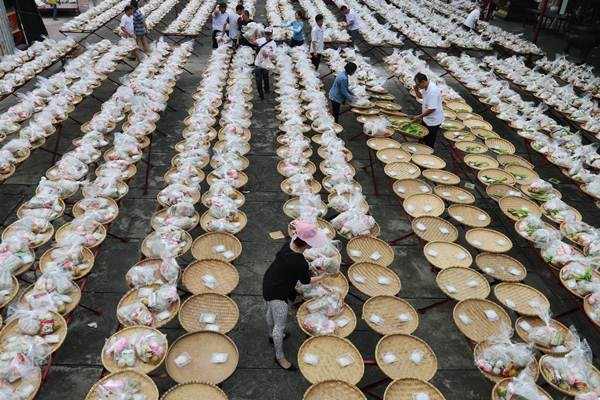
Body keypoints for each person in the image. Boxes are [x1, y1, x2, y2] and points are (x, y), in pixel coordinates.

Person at [262, 221, 328, 370]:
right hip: (278, 292)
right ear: (306, 244)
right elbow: (306, 281)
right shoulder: (299, 262)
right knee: (280, 325)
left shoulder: (289, 243)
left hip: (269, 281)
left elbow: (295, 228)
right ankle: (279, 357)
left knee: (269, 311)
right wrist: (323, 276)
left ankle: (270, 335)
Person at [412, 73, 444, 149]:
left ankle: (428, 154)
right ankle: (420, 151)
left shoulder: (433, 91)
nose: (418, 86)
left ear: (423, 81)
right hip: (426, 117)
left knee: (429, 141)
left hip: (433, 120)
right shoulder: (425, 87)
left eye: (418, 84)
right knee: (422, 136)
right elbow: (420, 96)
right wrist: (416, 89)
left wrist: (419, 116)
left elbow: (432, 109)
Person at [254, 28, 276, 100]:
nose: (267, 35)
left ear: (271, 34)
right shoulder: (261, 40)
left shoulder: (273, 43)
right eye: (266, 34)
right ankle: (261, 95)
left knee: (266, 77)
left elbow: (274, 55)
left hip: (266, 64)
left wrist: (268, 54)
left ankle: (266, 89)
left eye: (269, 34)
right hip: (258, 63)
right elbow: (253, 42)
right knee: (258, 80)